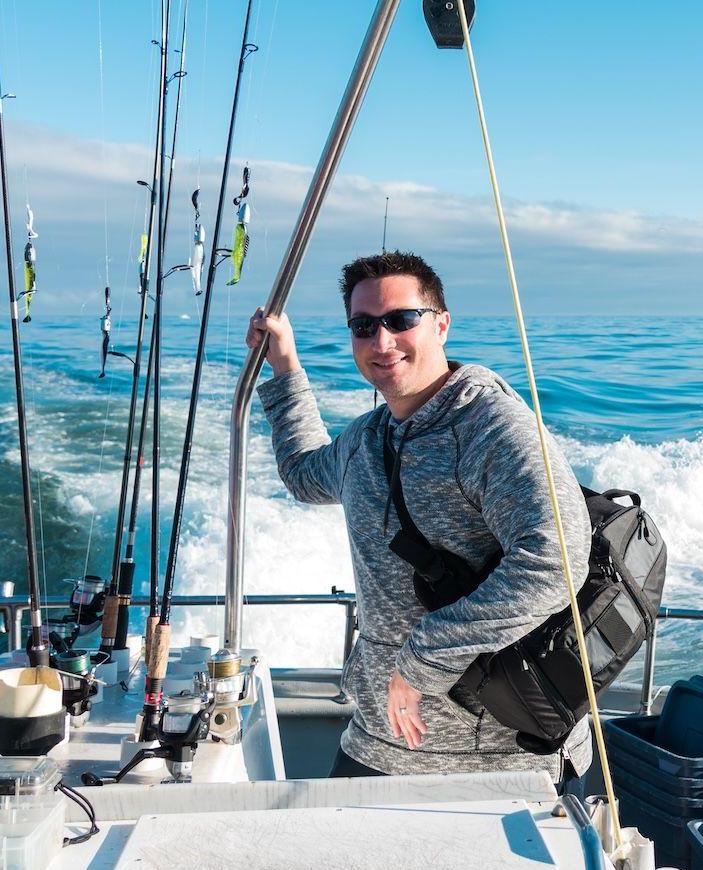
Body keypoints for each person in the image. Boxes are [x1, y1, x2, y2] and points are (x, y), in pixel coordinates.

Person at [247, 251, 591, 784]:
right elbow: (301, 473)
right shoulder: (367, 437)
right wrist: (286, 366)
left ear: (441, 324)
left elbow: (556, 562)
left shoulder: (491, 429)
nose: (381, 342)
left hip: (498, 764)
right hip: (376, 742)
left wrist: (420, 662)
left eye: (400, 320)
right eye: (364, 326)